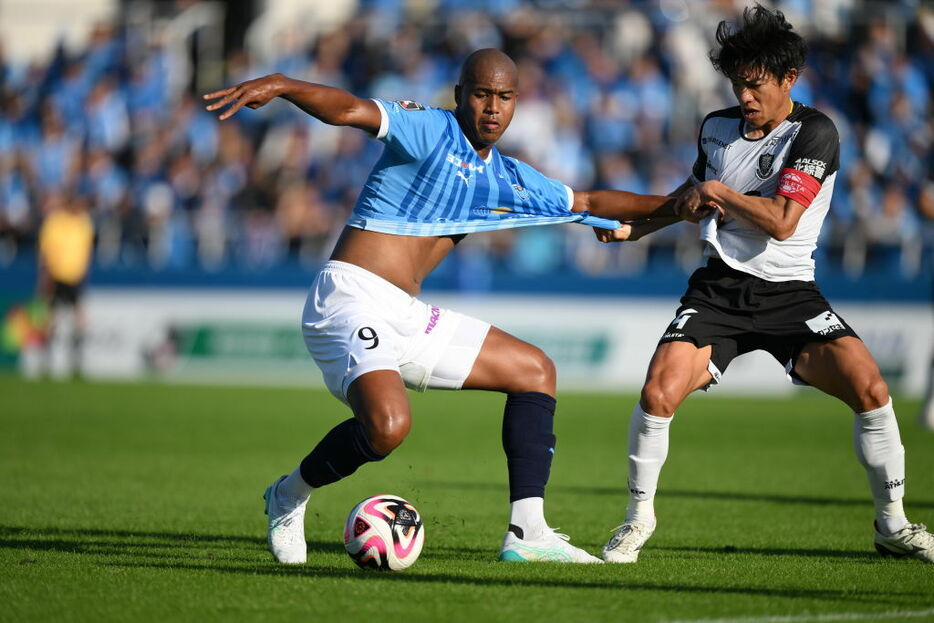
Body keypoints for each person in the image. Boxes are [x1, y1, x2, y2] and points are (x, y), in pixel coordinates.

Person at [204, 48, 674, 564]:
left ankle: (528, 532)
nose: (492, 107)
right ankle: (288, 495)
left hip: (404, 312)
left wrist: (685, 205)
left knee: (535, 370)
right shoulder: (428, 128)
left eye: (505, 97)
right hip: (350, 297)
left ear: (517, 103)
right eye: (481, 94)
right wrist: (285, 84)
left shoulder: (510, 178)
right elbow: (349, 109)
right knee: (387, 428)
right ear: (459, 96)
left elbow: (588, 204)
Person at [595, 5, 933, 564]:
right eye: (737, 85)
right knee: (658, 393)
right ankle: (636, 522)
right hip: (719, 290)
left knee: (871, 390)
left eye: (756, 85)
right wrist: (640, 229)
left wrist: (721, 194)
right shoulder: (716, 127)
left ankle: (892, 525)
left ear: (788, 79)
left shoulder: (816, 132)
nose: (745, 96)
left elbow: (781, 221)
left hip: (792, 294)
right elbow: (693, 192)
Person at [36, 191, 94, 378]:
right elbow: (45, 252)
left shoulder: (84, 223)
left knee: (79, 320)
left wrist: (84, 274)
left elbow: (86, 252)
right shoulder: (55, 222)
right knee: (51, 319)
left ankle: (76, 361)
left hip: (75, 278)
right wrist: (45, 277)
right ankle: (46, 361)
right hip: (56, 276)